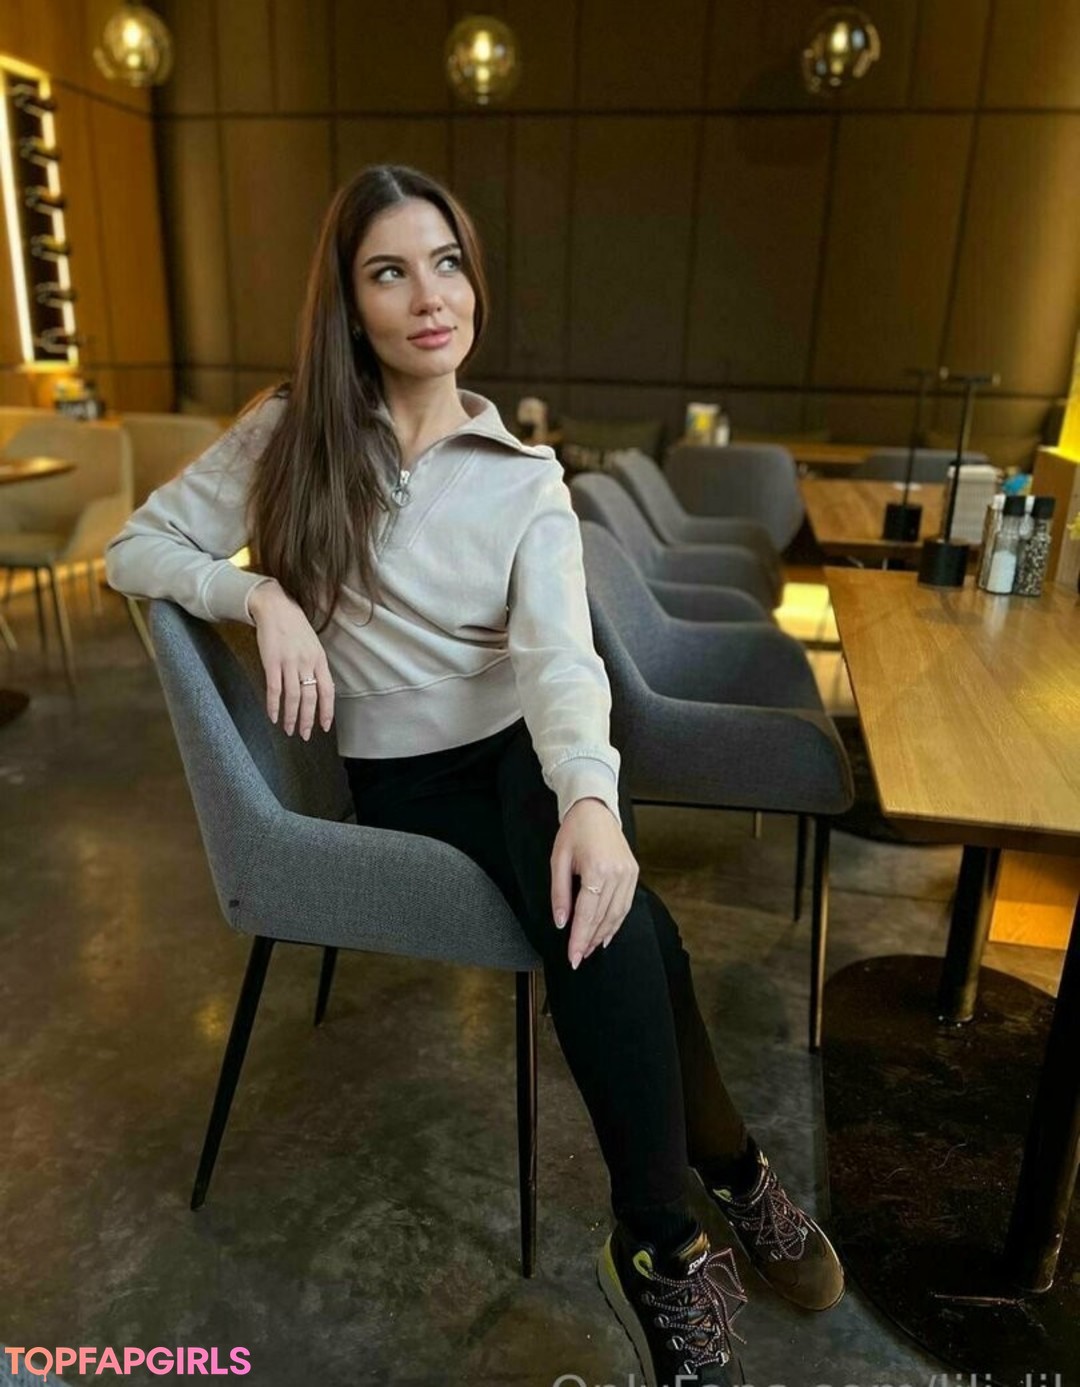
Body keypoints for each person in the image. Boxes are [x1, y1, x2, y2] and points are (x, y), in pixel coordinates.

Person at [106, 165, 843, 1387]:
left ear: (474, 281)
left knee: (602, 898)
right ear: (350, 305)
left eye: (446, 263)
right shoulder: (293, 431)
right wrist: (257, 593)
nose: (429, 296)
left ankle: (661, 1243)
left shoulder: (523, 474)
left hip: (526, 751)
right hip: (405, 779)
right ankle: (734, 1173)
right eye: (389, 272)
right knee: (631, 930)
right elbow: (137, 546)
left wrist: (593, 800)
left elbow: (559, 662)